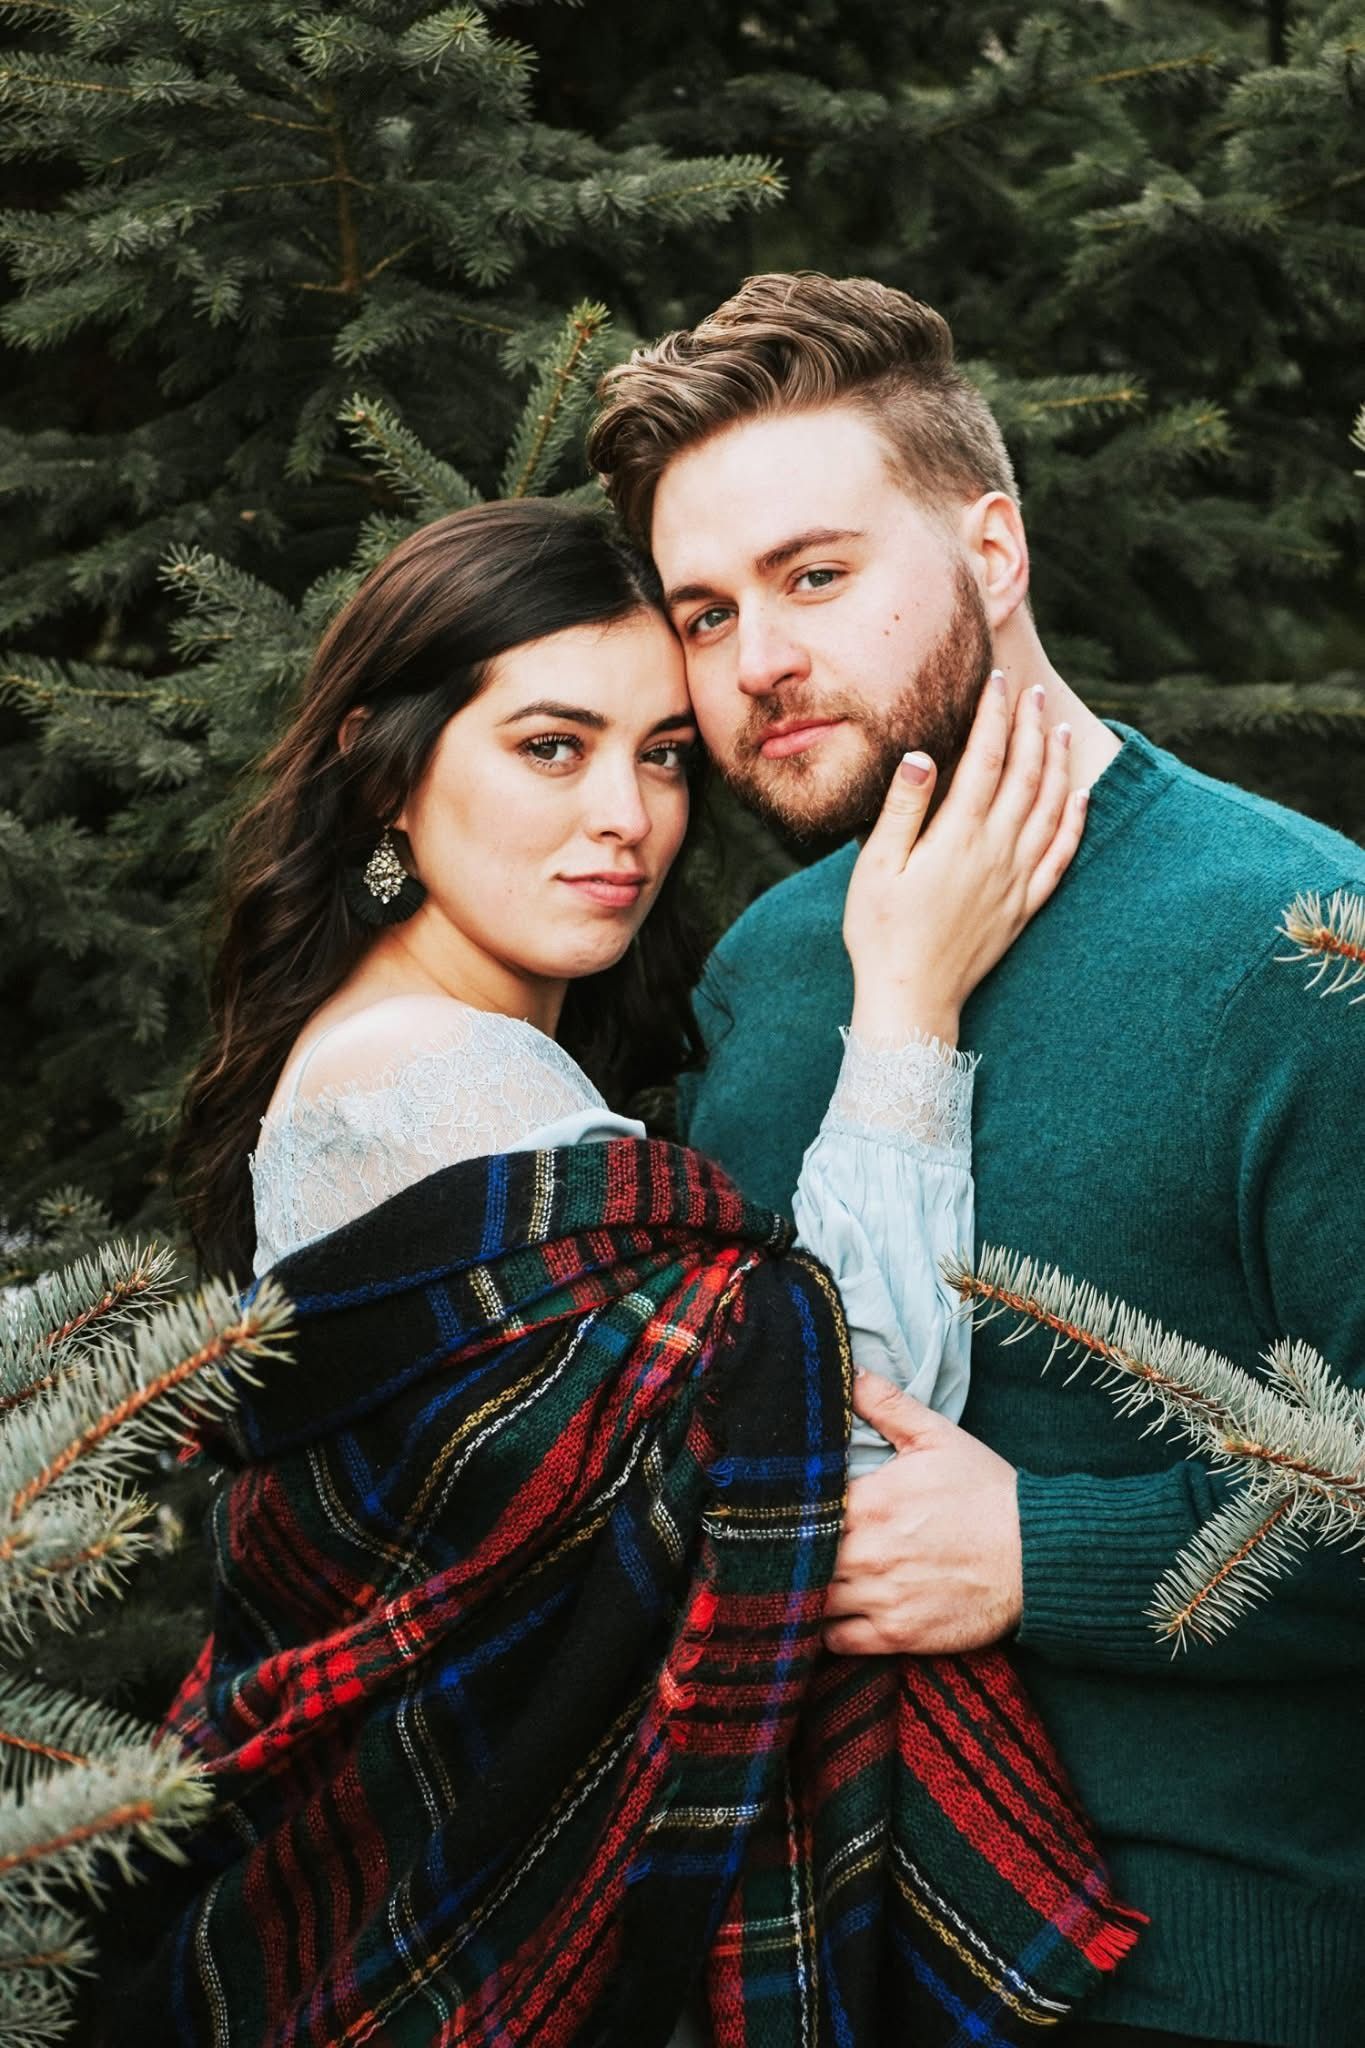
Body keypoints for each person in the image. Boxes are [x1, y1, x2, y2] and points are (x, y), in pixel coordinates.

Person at [100, 497, 1143, 2046]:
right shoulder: (430, 1075)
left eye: (660, 753)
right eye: (549, 746)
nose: (627, 816)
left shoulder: (449, 1057)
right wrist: (910, 1003)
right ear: (386, 773)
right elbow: (827, 1447)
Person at [587, 270, 1365, 2048]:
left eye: (816, 575)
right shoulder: (771, 973)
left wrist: (1041, 1551)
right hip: (807, 1958)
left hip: (1199, 1976)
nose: (758, 661)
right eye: (703, 614)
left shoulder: (1302, 947)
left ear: (993, 549)